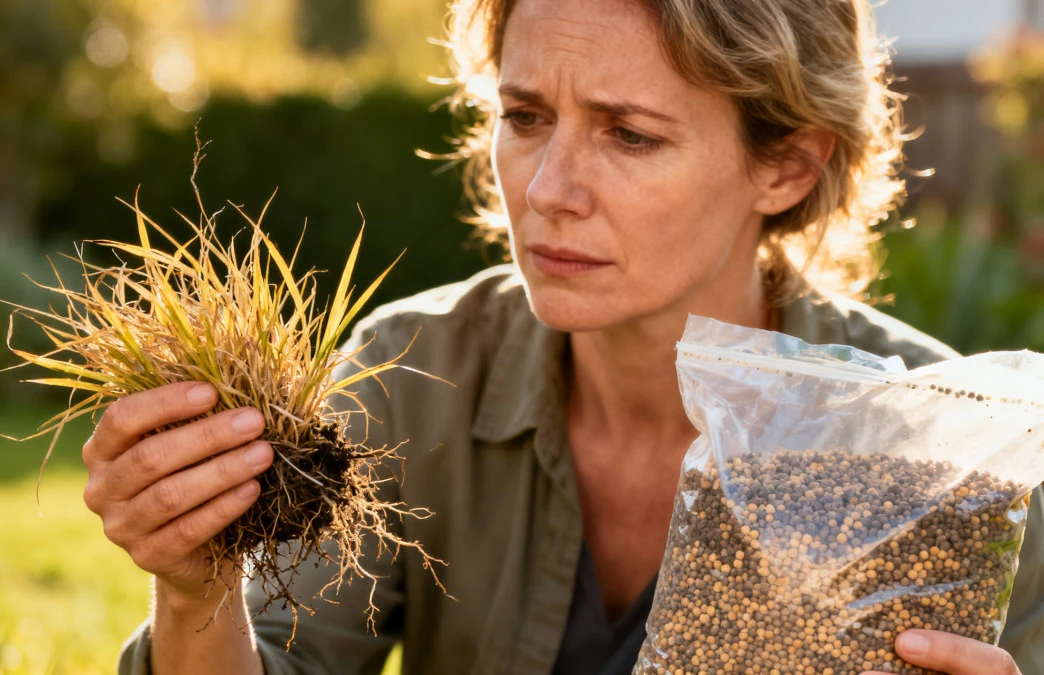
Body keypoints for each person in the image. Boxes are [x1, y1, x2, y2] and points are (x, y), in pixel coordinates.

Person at [92, 0, 1044, 673]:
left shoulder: (943, 451)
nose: (547, 190)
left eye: (628, 134)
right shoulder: (410, 378)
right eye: (525, 117)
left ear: (787, 164)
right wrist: (193, 587)